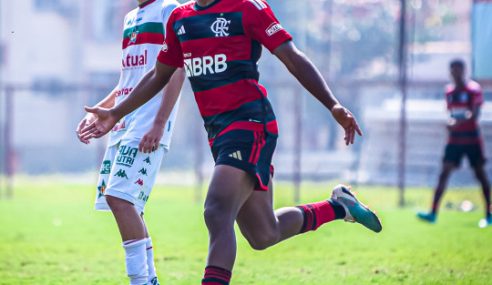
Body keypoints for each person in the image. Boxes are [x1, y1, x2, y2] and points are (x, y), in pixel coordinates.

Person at [79, 0, 382, 283]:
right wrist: (115, 112)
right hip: (219, 133)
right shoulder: (180, 18)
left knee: (216, 210)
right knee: (264, 233)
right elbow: (159, 75)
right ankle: (338, 206)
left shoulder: (247, 7)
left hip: (252, 123)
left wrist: (333, 105)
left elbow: (293, 58)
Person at [75, 0, 185, 284]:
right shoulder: (131, 18)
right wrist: (103, 109)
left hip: (147, 122)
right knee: (126, 204)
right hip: (123, 122)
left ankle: (141, 281)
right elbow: (130, 78)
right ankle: (150, 280)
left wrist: (160, 122)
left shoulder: (169, 8)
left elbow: (177, 67)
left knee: (120, 198)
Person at [417, 59, 491, 228]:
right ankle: (433, 213)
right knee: (444, 174)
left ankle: (488, 214)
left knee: (480, 175)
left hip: (472, 139)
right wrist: (451, 123)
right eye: (453, 70)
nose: (455, 73)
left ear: (463, 71)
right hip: (454, 141)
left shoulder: (473, 90)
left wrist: (457, 122)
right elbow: (452, 114)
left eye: (458, 70)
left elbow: (475, 114)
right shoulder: (449, 91)